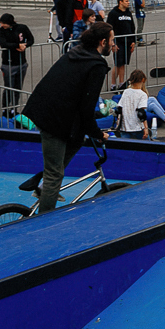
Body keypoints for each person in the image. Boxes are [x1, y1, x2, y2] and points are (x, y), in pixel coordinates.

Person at [22, 22, 114, 215]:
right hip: (54, 120)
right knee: (55, 174)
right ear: (103, 41)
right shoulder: (96, 65)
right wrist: (97, 133)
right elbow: (87, 107)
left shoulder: (78, 52)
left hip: (46, 110)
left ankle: (42, 184)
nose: (114, 45)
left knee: (77, 139)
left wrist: (88, 130)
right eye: (112, 41)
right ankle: (43, 223)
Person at [0, 13, 34, 117]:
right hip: (8, 63)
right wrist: (17, 45)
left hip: (21, 62)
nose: (2, 25)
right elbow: (3, 44)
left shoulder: (22, 28)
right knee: (8, 88)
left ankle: (14, 108)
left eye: (4, 23)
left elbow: (31, 40)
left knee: (17, 87)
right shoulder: (2, 31)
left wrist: (25, 45)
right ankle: (5, 109)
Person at [109, 0, 138, 87]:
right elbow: (109, 28)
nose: (128, 3)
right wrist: (113, 43)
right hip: (118, 42)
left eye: (128, 1)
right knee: (118, 64)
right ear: (120, 2)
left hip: (128, 41)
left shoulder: (128, 13)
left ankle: (121, 83)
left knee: (123, 64)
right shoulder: (113, 13)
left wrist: (133, 41)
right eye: (126, 1)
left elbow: (132, 27)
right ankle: (113, 84)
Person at [116, 70, 151, 140]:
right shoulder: (142, 94)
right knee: (148, 147)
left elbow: (119, 109)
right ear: (143, 80)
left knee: (126, 149)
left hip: (125, 127)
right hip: (137, 127)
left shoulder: (126, 92)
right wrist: (146, 128)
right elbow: (141, 113)